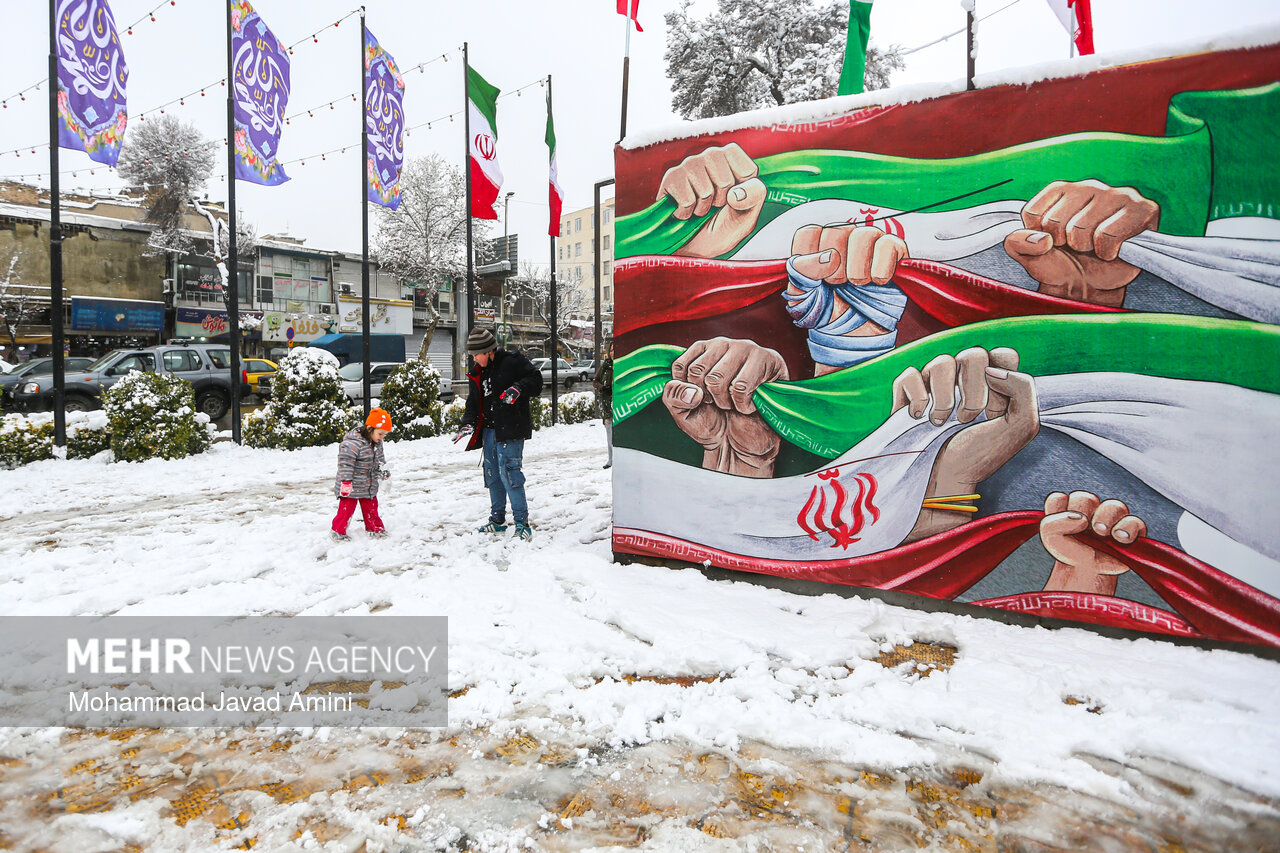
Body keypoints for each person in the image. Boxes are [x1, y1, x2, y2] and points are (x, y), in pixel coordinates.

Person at [453, 328, 544, 541]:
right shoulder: (480, 371)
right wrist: (467, 424)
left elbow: (536, 380)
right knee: (492, 475)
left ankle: (522, 524)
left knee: (510, 475)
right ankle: (498, 521)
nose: (474, 359)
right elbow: (474, 403)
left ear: (489, 350)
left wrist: (518, 388)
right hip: (489, 432)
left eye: (477, 354)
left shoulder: (512, 362)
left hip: (510, 430)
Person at [331, 408, 392, 541]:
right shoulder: (352, 444)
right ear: (370, 429)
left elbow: (380, 459)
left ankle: (375, 528)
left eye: (384, 435)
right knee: (346, 509)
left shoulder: (377, 443)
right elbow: (345, 464)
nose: (382, 437)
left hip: (368, 483)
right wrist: (346, 481)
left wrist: (384, 471)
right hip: (351, 485)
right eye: (380, 433)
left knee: (371, 507)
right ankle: (338, 531)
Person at [595, 343, 615, 469]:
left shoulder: (623, 365)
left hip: (621, 404)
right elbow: (595, 381)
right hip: (607, 404)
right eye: (612, 350)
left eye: (616, 350)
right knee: (609, 434)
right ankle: (611, 459)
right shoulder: (605, 366)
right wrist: (603, 388)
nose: (613, 353)